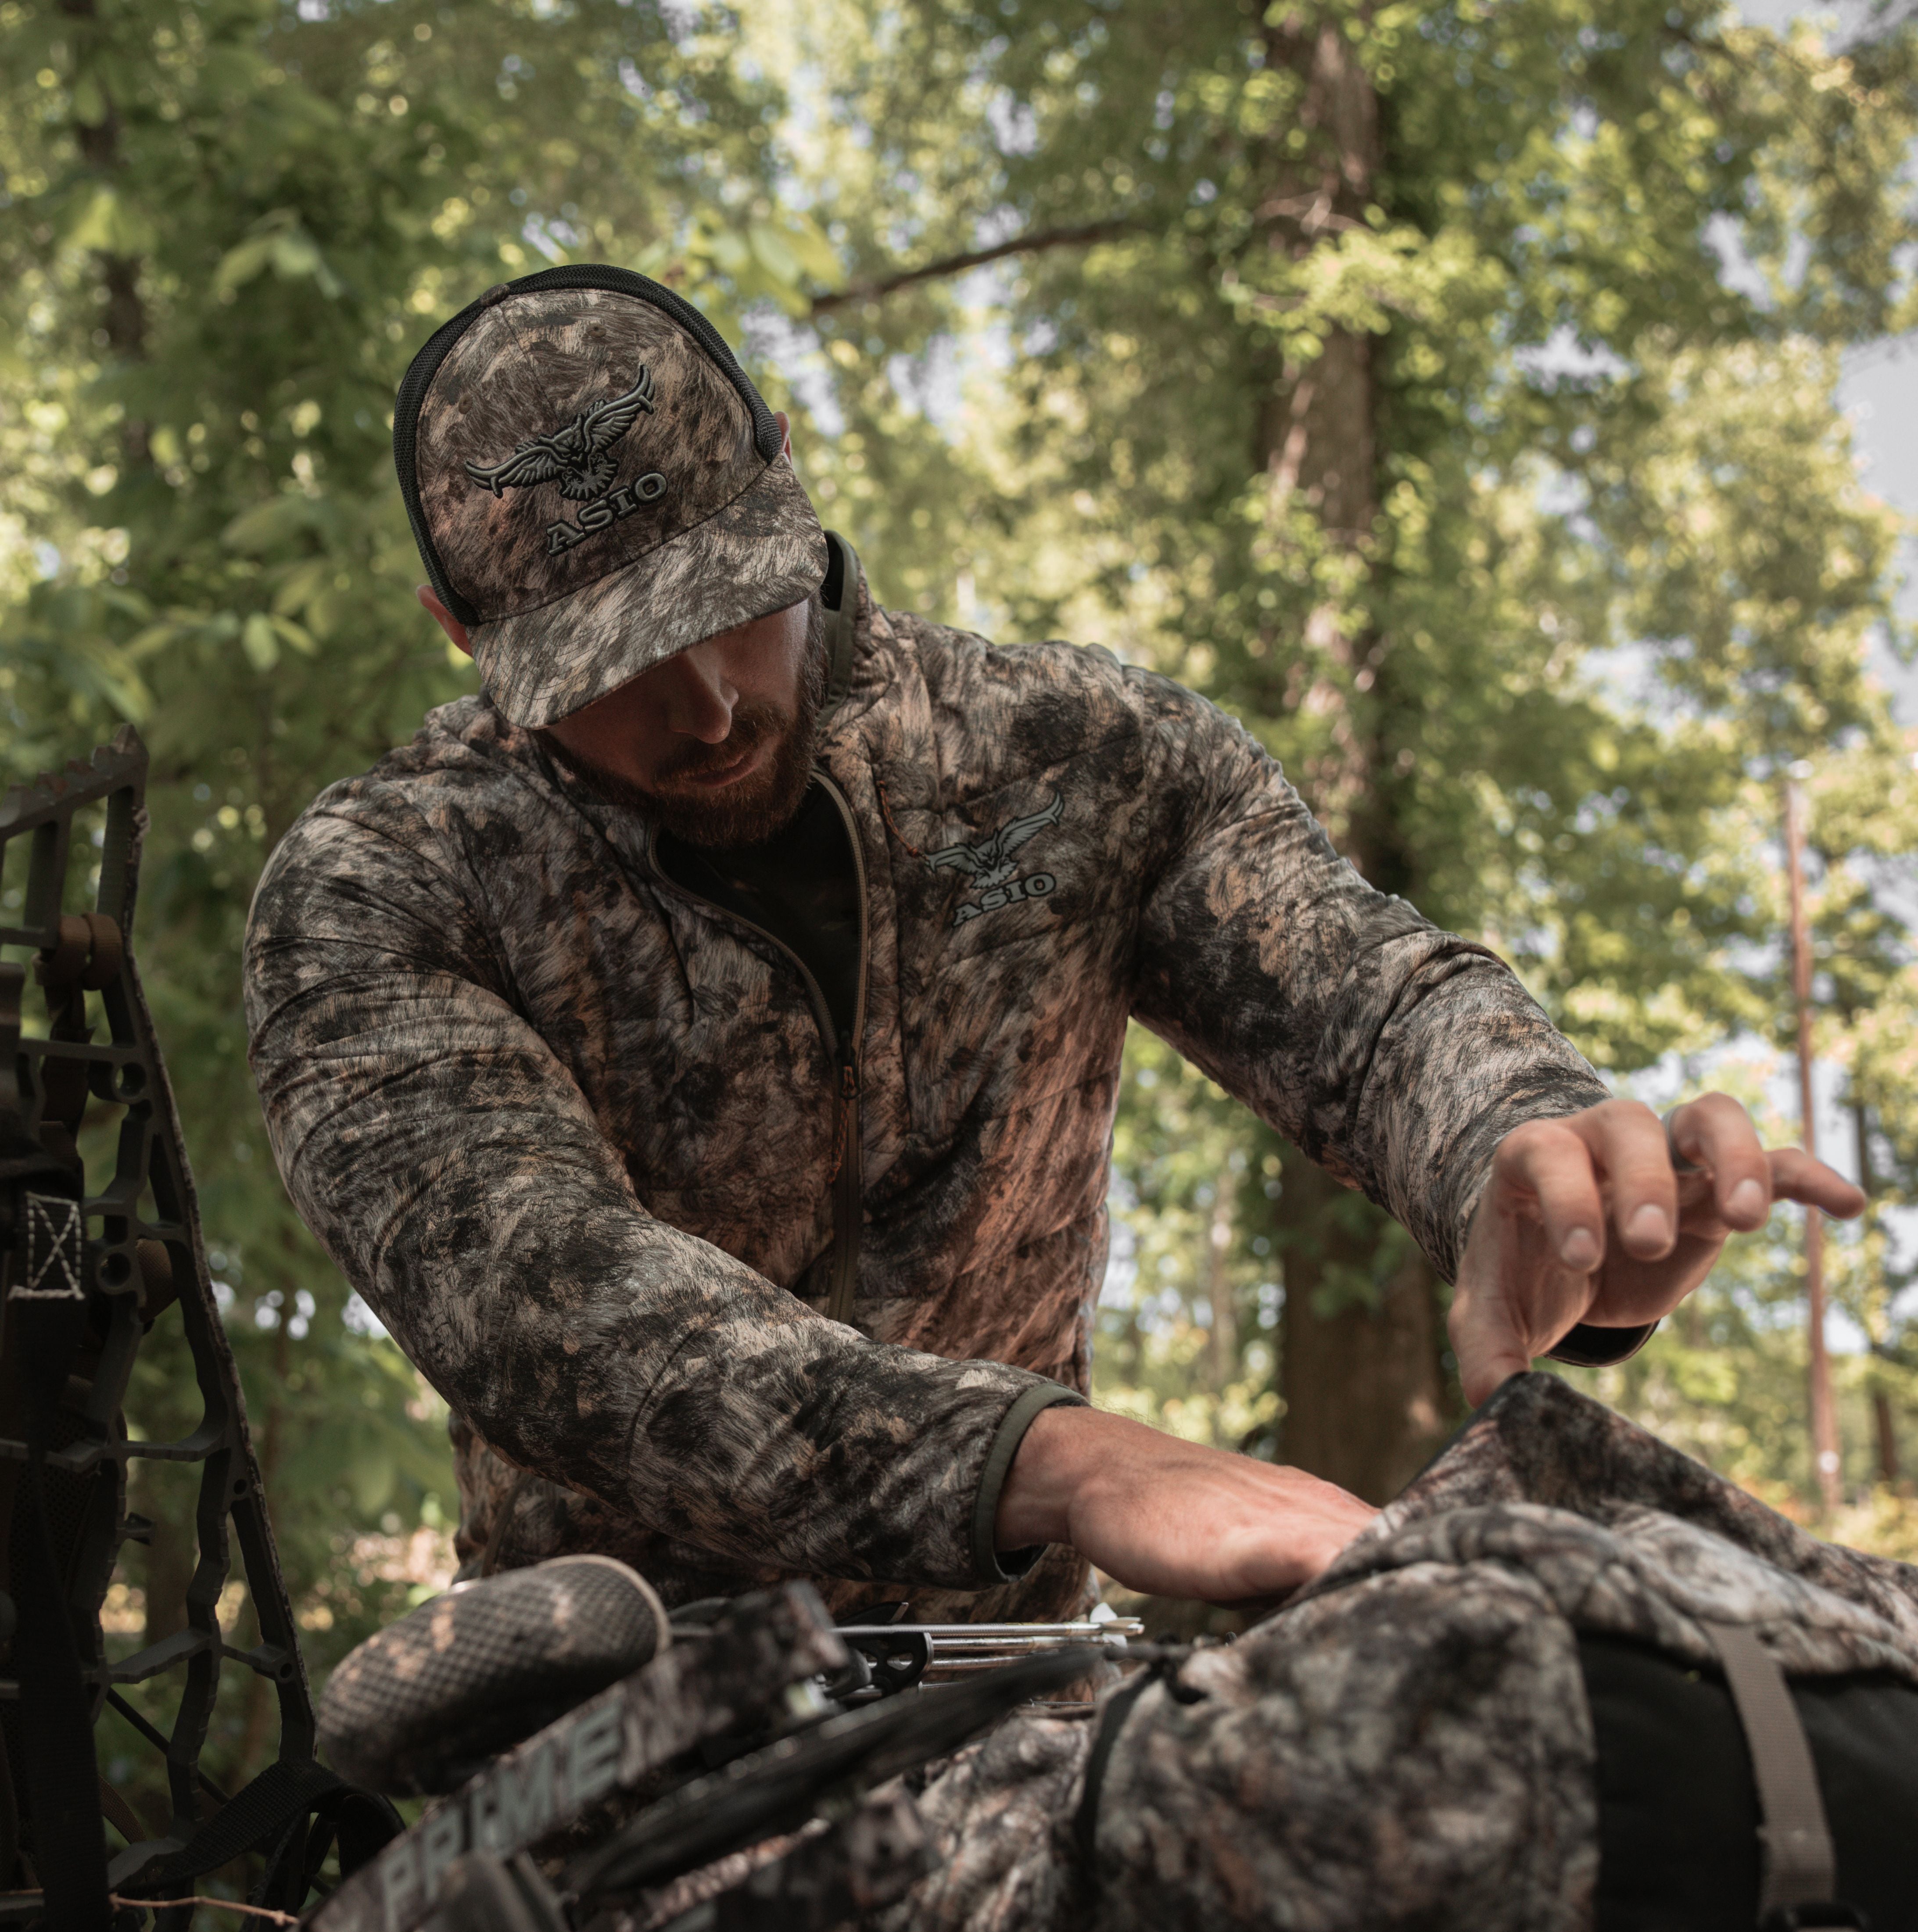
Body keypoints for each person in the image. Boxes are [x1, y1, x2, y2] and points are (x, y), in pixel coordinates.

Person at [243, 265, 1861, 1630]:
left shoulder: (1074, 753)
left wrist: (1527, 1145)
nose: (708, 706)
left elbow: (1362, 1002)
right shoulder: (381, 890)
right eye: (609, 664)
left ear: (790, 487)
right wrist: (1062, 1461)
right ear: (462, 635)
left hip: (1022, 1706)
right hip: (613, 1746)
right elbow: (548, 1309)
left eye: (728, 599)